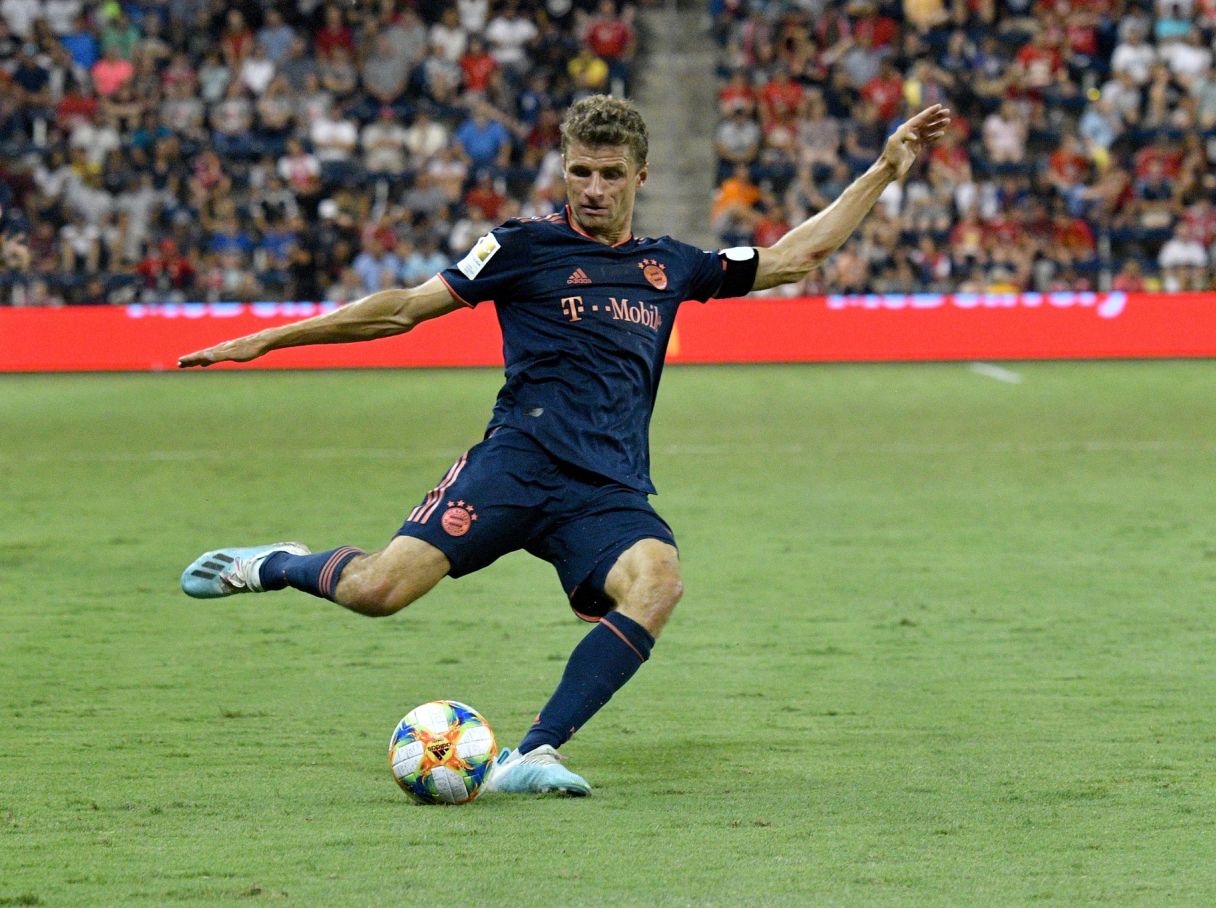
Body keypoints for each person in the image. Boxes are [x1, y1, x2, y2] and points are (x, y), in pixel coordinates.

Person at [177, 95, 950, 797]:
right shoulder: (518, 247)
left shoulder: (671, 265)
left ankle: (534, 751)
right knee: (379, 591)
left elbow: (792, 256)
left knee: (659, 582)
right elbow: (403, 310)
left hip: (606, 487)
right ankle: (273, 563)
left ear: (638, 175)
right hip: (516, 463)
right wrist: (270, 338)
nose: (592, 187)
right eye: (579, 171)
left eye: (610, 173)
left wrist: (883, 170)